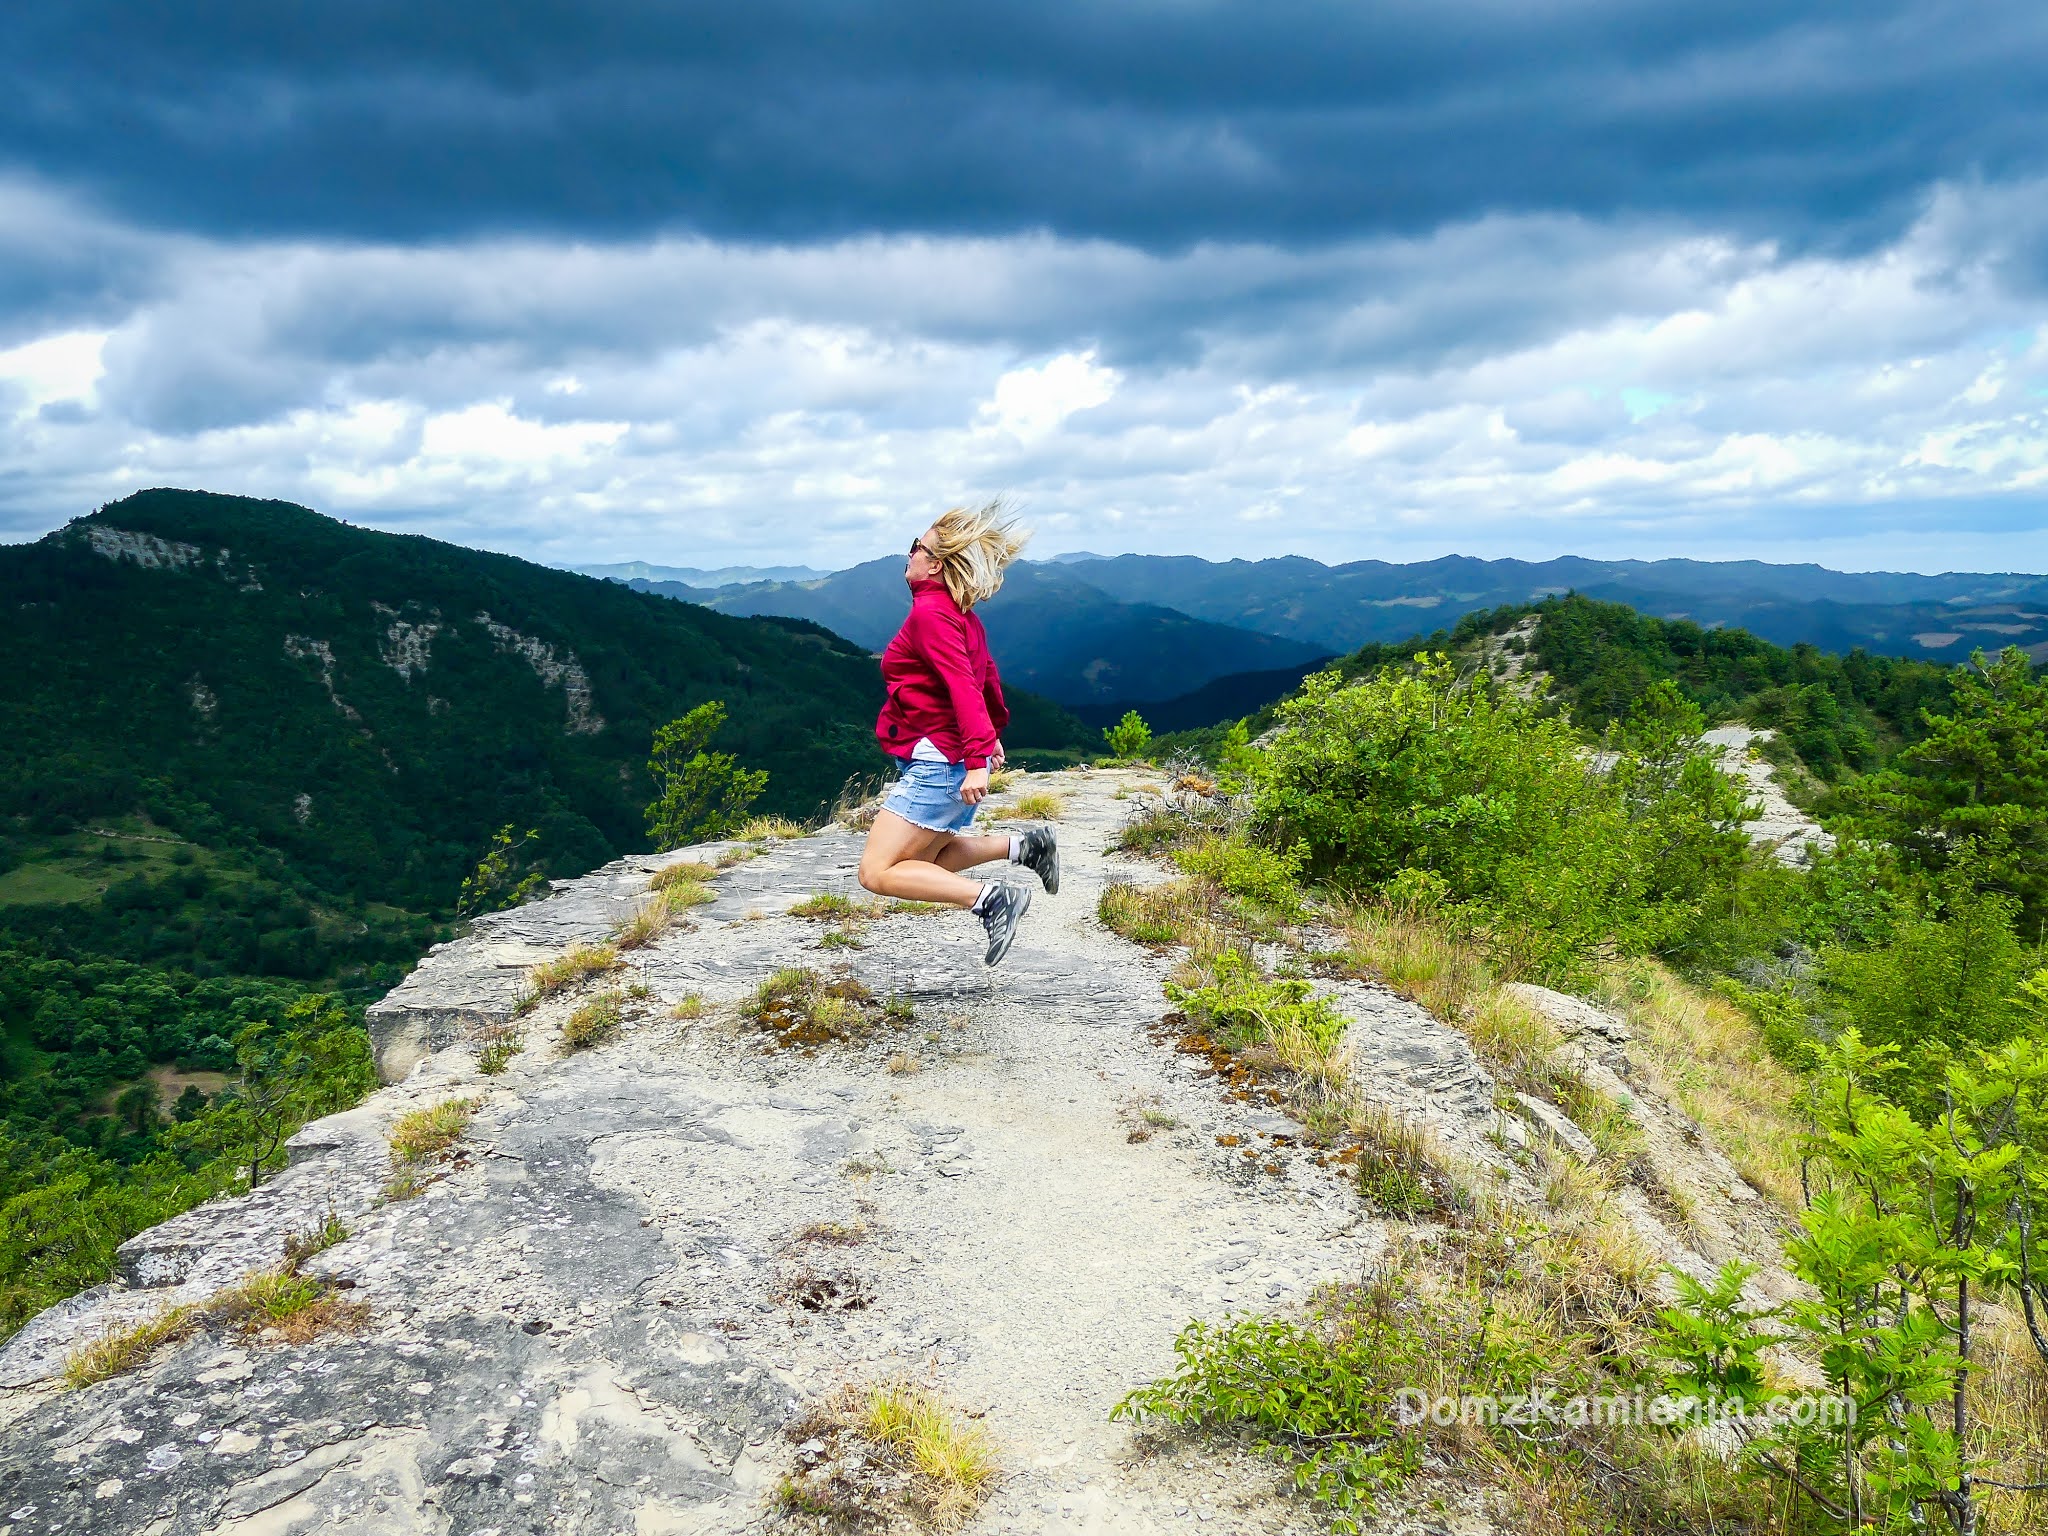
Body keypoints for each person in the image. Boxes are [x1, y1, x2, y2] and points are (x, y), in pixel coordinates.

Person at [855, 503, 1059, 965]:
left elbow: (964, 684)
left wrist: (976, 758)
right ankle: (1026, 847)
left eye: (916, 547)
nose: (908, 555)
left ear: (935, 563)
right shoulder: (957, 613)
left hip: (940, 763)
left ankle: (991, 900)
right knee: (923, 865)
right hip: (947, 756)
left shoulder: (931, 613)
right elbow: (984, 674)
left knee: (877, 871)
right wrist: (988, 740)